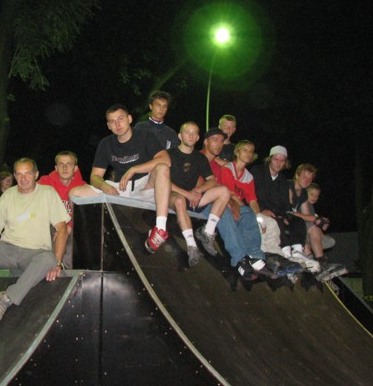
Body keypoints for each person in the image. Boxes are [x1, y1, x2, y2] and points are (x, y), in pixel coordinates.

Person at [0, 158, 70, 341]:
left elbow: (62, 229)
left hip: (34, 253)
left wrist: (58, 263)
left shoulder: (47, 193)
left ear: (36, 175)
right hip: (7, 249)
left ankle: (6, 298)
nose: (23, 178)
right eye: (19, 174)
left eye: (27, 173)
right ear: (14, 176)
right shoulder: (8, 195)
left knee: (49, 259)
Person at [69, 103, 172, 254]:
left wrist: (134, 168)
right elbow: (95, 177)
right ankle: (93, 238)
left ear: (129, 119)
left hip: (144, 186)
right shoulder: (105, 144)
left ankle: (160, 229)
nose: (117, 124)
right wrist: (104, 186)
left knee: (162, 168)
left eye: (121, 119)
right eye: (112, 121)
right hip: (120, 187)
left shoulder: (145, 136)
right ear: (108, 125)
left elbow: (166, 160)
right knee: (75, 193)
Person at [166, 122, 231, 267]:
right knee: (180, 201)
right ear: (180, 136)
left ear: (198, 138)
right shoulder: (168, 154)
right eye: (187, 132)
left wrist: (198, 190)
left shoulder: (200, 158)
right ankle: (192, 246)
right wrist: (187, 194)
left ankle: (207, 233)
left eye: (194, 133)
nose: (191, 135)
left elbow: (212, 180)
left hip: (193, 197)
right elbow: (162, 181)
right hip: (173, 195)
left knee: (224, 191)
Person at [218, 140, 267, 279]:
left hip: (238, 205)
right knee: (246, 213)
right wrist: (244, 208)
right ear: (237, 152)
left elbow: (252, 199)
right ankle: (243, 258)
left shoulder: (248, 177)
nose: (248, 153)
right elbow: (230, 193)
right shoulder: (227, 168)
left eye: (251, 151)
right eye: (245, 150)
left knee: (253, 217)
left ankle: (256, 257)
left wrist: (259, 218)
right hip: (224, 202)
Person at [37, 150, 87, 268]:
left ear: (75, 168)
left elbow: (85, 216)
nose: (65, 168)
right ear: (56, 167)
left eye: (69, 164)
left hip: (71, 228)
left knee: (71, 242)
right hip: (48, 226)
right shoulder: (44, 182)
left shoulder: (82, 187)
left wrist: (69, 226)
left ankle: (65, 275)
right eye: (61, 164)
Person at [251, 146, 304, 254]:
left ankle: (298, 252)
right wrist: (261, 210)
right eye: (276, 159)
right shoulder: (258, 171)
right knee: (277, 221)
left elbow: (284, 203)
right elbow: (252, 195)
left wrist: (285, 216)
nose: (278, 163)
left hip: (277, 213)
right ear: (270, 159)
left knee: (298, 221)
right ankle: (286, 253)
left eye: (282, 160)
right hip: (260, 210)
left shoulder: (283, 180)